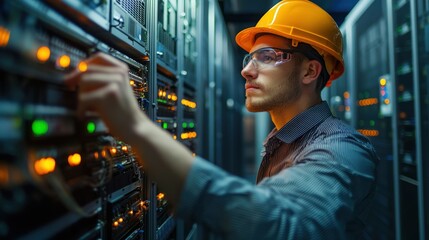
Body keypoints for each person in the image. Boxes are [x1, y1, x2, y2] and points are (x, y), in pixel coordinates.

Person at [65, 0, 379, 239]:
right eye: (249, 58)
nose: (247, 70)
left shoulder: (343, 148)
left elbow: (286, 225)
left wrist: (135, 127)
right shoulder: (282, 141)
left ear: (310, 71)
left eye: (267, 57)